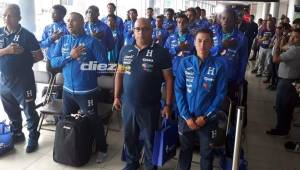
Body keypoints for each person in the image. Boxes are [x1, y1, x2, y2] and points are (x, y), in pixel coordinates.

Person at [114, 18, 173, 170]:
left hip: (150, 106)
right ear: (133, 31)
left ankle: (149, 165)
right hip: (128, 104)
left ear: (151, 31)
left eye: (145, 29)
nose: (141, 32)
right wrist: (116, 96)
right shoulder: (125, 50)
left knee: (149, 140)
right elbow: (119, 74)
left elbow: (168, 80)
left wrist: (167, 104)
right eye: (137, 29)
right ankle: (132, 163)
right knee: (129, 137)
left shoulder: (161, 52)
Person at [51, 12, 108, 163]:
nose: (69, 23)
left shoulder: (92, 42)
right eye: (68, 21)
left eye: (73, 20)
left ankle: (102, 148)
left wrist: (88, 75)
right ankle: (68, 147)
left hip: (87, 92)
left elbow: (104, 65)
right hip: (67, 90)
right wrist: (70, 56)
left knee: (93, 121)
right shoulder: (63, 40)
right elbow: (54, 62)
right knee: (65, 118)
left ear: (82, 22)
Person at [176, 29, 227, 170]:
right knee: (185, 152)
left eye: (206, 41)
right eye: (199, 41)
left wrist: (205, 117)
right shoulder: (185, 63)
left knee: (207, 155)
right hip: (186, 118)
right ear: (194, 43)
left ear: (211, 44)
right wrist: (186, 116)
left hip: (207, 121)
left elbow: (220, 95)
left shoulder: (219, 66)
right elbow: (179, 90)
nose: (202, 45)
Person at [0, 4, 44, 153]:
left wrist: (23, 56)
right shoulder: (0, 32)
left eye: (10, 15)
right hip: (4, 79)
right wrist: (6, 51)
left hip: (23, 80)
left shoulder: (27, 35)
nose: (6, 18)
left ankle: (33, 135)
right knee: (10, 109)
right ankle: (17, 133)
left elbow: (39, 56)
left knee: (29, 110)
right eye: (5, 15)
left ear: (19, 18)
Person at [211, 9, 248, 126]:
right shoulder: (212, 34)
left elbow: (243, 62)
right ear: (219, 19)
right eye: (223, 18)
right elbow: (205, 52)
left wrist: (238, 80)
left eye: (229, 19)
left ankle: (227, 133)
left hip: (229, 80)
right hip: (211, 78)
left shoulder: (241, 38)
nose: (225, 21)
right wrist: (222, 46)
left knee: (227, 109)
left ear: (235, 21)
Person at [266, 28, 300, 136]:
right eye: (291, 36)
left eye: (296, 37)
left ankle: (281, 130)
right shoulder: (294, 47)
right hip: (290, 81)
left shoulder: (295, 50)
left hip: (287, 82)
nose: (292, 38)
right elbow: (284, 47)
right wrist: (281, 42)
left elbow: (275, 59)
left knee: (282, 107)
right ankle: (284, 129)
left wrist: (276, 45)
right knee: (286, 107)